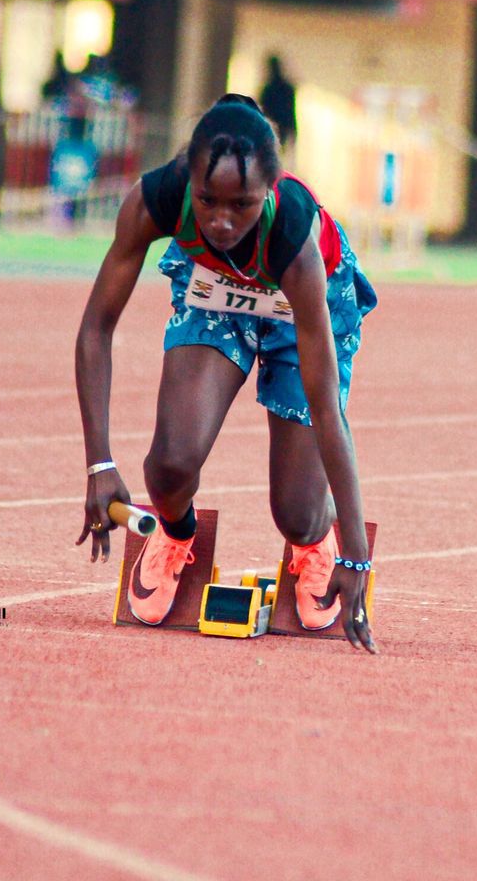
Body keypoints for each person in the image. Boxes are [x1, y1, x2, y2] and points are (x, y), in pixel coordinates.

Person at [75, 94, 379, 653]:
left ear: (269, 189)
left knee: (296, 512)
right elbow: (96, 326)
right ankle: (175, 531)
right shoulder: (155, 200)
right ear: (187, 174)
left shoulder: (296, 241)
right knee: (167, 466)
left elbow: (324, 406)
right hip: (217, 295)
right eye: (207, 200)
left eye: (240, 204)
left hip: (301, 309)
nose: (220, 220)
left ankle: (315, 540)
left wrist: (357, 552)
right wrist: (99, 462)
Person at [259, 55, 297, 148]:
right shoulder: (287, 88)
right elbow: (291, 111)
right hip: (280, 127)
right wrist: (293, 130)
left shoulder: (268, 89)